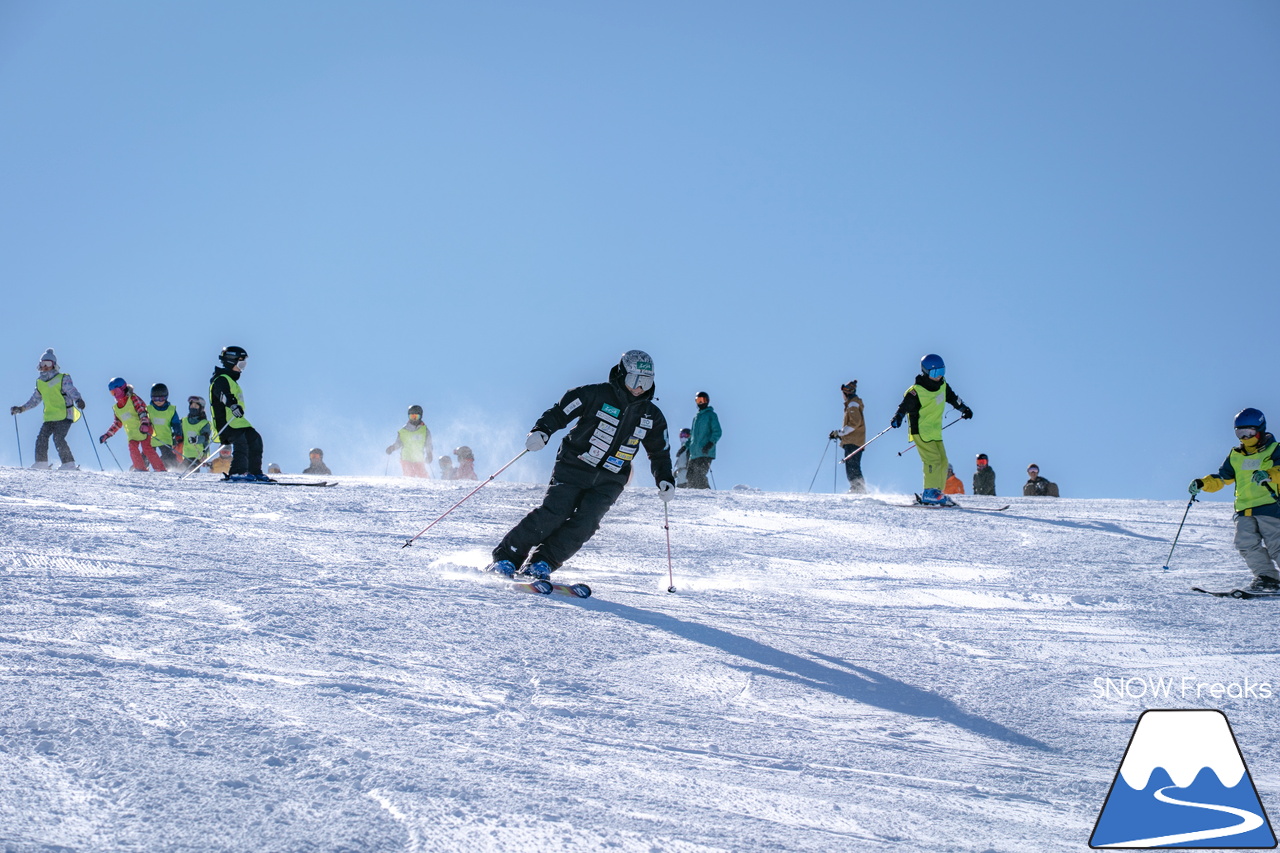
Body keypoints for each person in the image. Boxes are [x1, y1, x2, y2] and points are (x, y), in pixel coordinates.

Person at [487, 349, 674, 580]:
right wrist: (542, 431)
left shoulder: (652, 415)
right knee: (556, 512)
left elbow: (660, 452)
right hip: (575, 465)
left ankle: (543, 562)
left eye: (646, 382)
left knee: (587, 522)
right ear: (621, 373)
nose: (639, 387)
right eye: (634, 380)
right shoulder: (594, 394)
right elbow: (560, 412)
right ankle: (508, 556)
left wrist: (665, 478)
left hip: (611, 478)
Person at [1189, 408, 1280, 592]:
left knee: (1276, 545)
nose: (1245, 438)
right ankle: (1267, 578)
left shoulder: (1275, 449)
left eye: (1249, 432)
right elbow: (1222, 478)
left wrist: (1269, 474)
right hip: (1244, 509)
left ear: (1260, 429)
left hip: (1271, 506)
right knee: (1245, 544)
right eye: (1240, 433)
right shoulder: (1236, 456)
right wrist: (1203, 483)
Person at [891, 354, 972, 506]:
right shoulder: (916, 391)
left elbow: (953, 398)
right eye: (935, 373)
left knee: (943, 461)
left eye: (942, 371)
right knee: (932, 460)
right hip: (920, 431)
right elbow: (904, 406)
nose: (939, 375)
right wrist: (898, 417)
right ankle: (929, 491)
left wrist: (964, 409)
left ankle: (937, 492)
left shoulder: (942, 385)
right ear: (926, 372)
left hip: (935, 431)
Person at [10, 348, 85, 470]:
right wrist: (21, 408)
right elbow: (34, 400)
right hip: (50, 416)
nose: (45, 366)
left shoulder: (62, 378)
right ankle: (41, 462)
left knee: (58, 438)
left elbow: (71, 390)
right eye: (42, 364)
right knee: (41, 438)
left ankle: (68, 463)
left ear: (54, 365)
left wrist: (78, 400)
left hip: (65, 414)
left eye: (48, 364)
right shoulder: (40, 382)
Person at [209, 345, 268, 482]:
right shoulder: (221, 379)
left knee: (255, 439)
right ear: (231, 361)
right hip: (226, 423)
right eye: (241, 363)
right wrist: (233, 405)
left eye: (244, 364)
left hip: (238, 422)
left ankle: (254, 472)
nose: (242, 367)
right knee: (241, 442)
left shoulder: (231, 380)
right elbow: (223, 394)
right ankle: (237, 472)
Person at [100, 378, 165, 471]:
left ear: (121, 389)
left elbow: (142, 410)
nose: (114, 395)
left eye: (115, 392)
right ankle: (140, 468)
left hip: (143, 428)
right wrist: (107, 435)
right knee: (132, 448)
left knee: (147, 449)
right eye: (112, 393)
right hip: (132, 433)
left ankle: (160, 469)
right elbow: (117, 423)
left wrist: (145, 423)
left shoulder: (133, 398)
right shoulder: (116, 408)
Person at [830, 380, 867, 493]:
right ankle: (858, 488)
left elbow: (854, 423)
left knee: (852, 465)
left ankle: (858, 489)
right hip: (854, 440)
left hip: (854, 440)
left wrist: (839, 433)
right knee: (852, 465)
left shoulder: (852, 404)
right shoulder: (851, 404)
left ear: (846, 392)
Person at [687, 391, 721, 490]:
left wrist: (710, 443)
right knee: (690, 476)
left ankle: (706, 495)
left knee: (699, 475)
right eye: (699, 400)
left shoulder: (711, 415)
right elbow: (692, 435)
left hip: (705, 451)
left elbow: (717, 431)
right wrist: (686, 447)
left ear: (707, 401)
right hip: (694, 453)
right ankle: (694, 496)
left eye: (703, 400)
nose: (701, 403)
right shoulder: (696, 417)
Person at [386, 405, 432, 478]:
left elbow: (428, 444)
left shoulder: (425, 430)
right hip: (406, 458)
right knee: (409, 474)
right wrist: (392, 448)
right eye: (412, 417)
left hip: (419, 458)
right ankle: (408, 488)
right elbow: (398, 444)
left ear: (421, 417)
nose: (414, 419)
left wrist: (429, 454)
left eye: (416, 417)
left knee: (423, 476)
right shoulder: (403, 431)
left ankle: (428, 488)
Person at [146, 383, 183, 471]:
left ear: (166, 397)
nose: (158, 401)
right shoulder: (148, 409)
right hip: (151, 439)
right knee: (147, 454)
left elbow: (176, 424)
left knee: (169, 457)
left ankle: (171, 469)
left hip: (165, 439)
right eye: (155, 398)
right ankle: (140, 467)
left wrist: (178, 435)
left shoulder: (171, 410)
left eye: (161, 398)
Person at [180, 396, 213, 471]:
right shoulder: (184, 421)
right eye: (191, 405)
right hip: (186, 454)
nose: (193, 408)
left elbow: (205, 438)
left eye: (196, 406)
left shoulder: (204, 423)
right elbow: (180, 433)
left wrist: (196, 439)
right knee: (180, 470)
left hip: (198, 455)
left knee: (191, 470)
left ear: (201, 408)